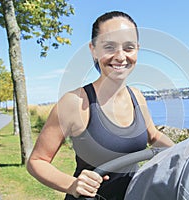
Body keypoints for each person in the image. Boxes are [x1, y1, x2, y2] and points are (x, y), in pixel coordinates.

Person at [27, 11, 174, 200]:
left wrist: (186, 152)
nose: (120, 57)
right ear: (94, 50)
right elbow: (37, 161)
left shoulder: (137, 97)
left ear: (137, 49)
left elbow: (153, 136)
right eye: (109, 47)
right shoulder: (74, 103)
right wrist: (72, 184)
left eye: (128, 47)